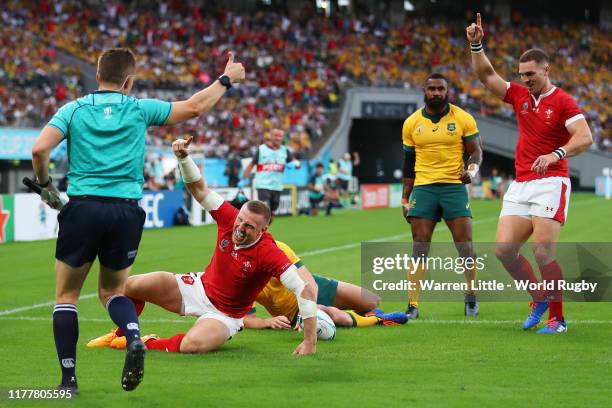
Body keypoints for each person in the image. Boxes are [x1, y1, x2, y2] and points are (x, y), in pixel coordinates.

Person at [30, 47, 245, 392]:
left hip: (83, 207)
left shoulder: (73, 110)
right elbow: (194, 107)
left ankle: (68, 380)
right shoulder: (140, 109)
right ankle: (133, 336)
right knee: (113, 291)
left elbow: (39, 150)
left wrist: (44, 186)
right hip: (126, 211)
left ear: (97, 75)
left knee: (67, 296)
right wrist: (225, 79)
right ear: (129, 81)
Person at [87, 136, 319, 354]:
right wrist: (183, 158)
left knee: (193, 345)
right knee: (128, 286)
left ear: (263, 230)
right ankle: (122, 335)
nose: (240, 228)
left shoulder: (268, 252)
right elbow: (199, 189)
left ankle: (146, 343)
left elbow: (305, 288)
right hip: (198, 287)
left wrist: (309, 341)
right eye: (240, 220)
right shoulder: (229, 216)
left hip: (226, 315)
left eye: (249, 227)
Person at [467, 13, 593, 333]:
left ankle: (557, 319)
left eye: (532, 74)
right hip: (522, 182)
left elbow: (585, 137)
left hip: (551, 182)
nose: (526, 79)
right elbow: (486, 75)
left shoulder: (563, 101)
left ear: (546, 69)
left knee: (542, 251)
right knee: (504, 251)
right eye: (522, 74)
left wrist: (556, 153)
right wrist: (476, 44)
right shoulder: (520, 96)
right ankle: (539, 297)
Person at [401, 72, 483, 319]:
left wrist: (472, 170)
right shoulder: (411, 122)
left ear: (447, 91)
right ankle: (413, 305)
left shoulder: (462, 118)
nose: (436, 93)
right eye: (432, 89)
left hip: (453, 187)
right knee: (420, 246)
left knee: (465, 246)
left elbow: (476, 150)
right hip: (424, 188)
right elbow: (408, 163)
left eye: (441, 89)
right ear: (424, 91)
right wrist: (405, 198)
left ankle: (471, 296)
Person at [245, 241, 408, 330]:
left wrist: (313, 295)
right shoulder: (244, 280)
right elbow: (248, 319)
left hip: (312, 285)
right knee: (336, 316)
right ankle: (377, 319)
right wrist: (268, 322)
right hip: (295, 312)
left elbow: (303, 273)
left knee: (372, 300)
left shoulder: (278, 247)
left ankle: (365, 311)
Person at [241, 128, 301, 213]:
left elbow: (297, 164)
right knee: (265, 208)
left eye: (280, 136)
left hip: (277, 186)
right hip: (263, 185)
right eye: (276, 135)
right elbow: (251, 165)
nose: (278, 138)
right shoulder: (262, 149)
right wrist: (242, 180)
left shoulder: (285, 151)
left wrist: (296, 164)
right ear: (271, 136)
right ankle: (263, 225)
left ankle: (266, 224)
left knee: (273, 210)